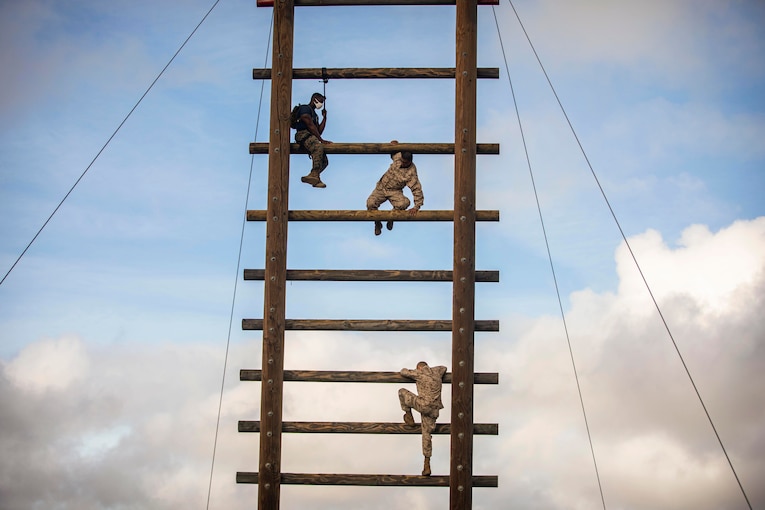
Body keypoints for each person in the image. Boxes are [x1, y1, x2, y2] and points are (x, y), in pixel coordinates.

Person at [398, 361, 447, 476]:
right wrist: (431, 370)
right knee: (426, 434)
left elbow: (403, 372)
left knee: (401, 392)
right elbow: (444, 368)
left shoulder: (418, 374)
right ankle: (427, 463)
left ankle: (408, 414)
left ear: (419, 368)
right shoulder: (437, 372)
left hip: (423, 405)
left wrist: (413, 370)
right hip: (434, 410)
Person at [366, 150, 423, 236]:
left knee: (404, 203)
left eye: (405, 162)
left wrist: (416, 207)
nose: (402, 163)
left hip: (394, 191)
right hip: (381, 188)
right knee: (370, 203)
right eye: (402, 161)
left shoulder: (412, 173)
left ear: (410, 162)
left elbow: (417, 189)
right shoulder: (398, 157)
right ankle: (377, 223)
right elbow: (393, 152)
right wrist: (394, 145)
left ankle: (391, 217)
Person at [292, 92, 332, 188]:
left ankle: (314, 177)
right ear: (314, 99)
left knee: (324, 161)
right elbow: (309, 124)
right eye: (320, 101)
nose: (321, 104)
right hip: (303, 135)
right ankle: (314, 174)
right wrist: (321, 140)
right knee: (317, 147)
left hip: (311, 136)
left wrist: (324, 118)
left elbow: (318, 130)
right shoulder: (305, 108)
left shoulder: (315, 115)